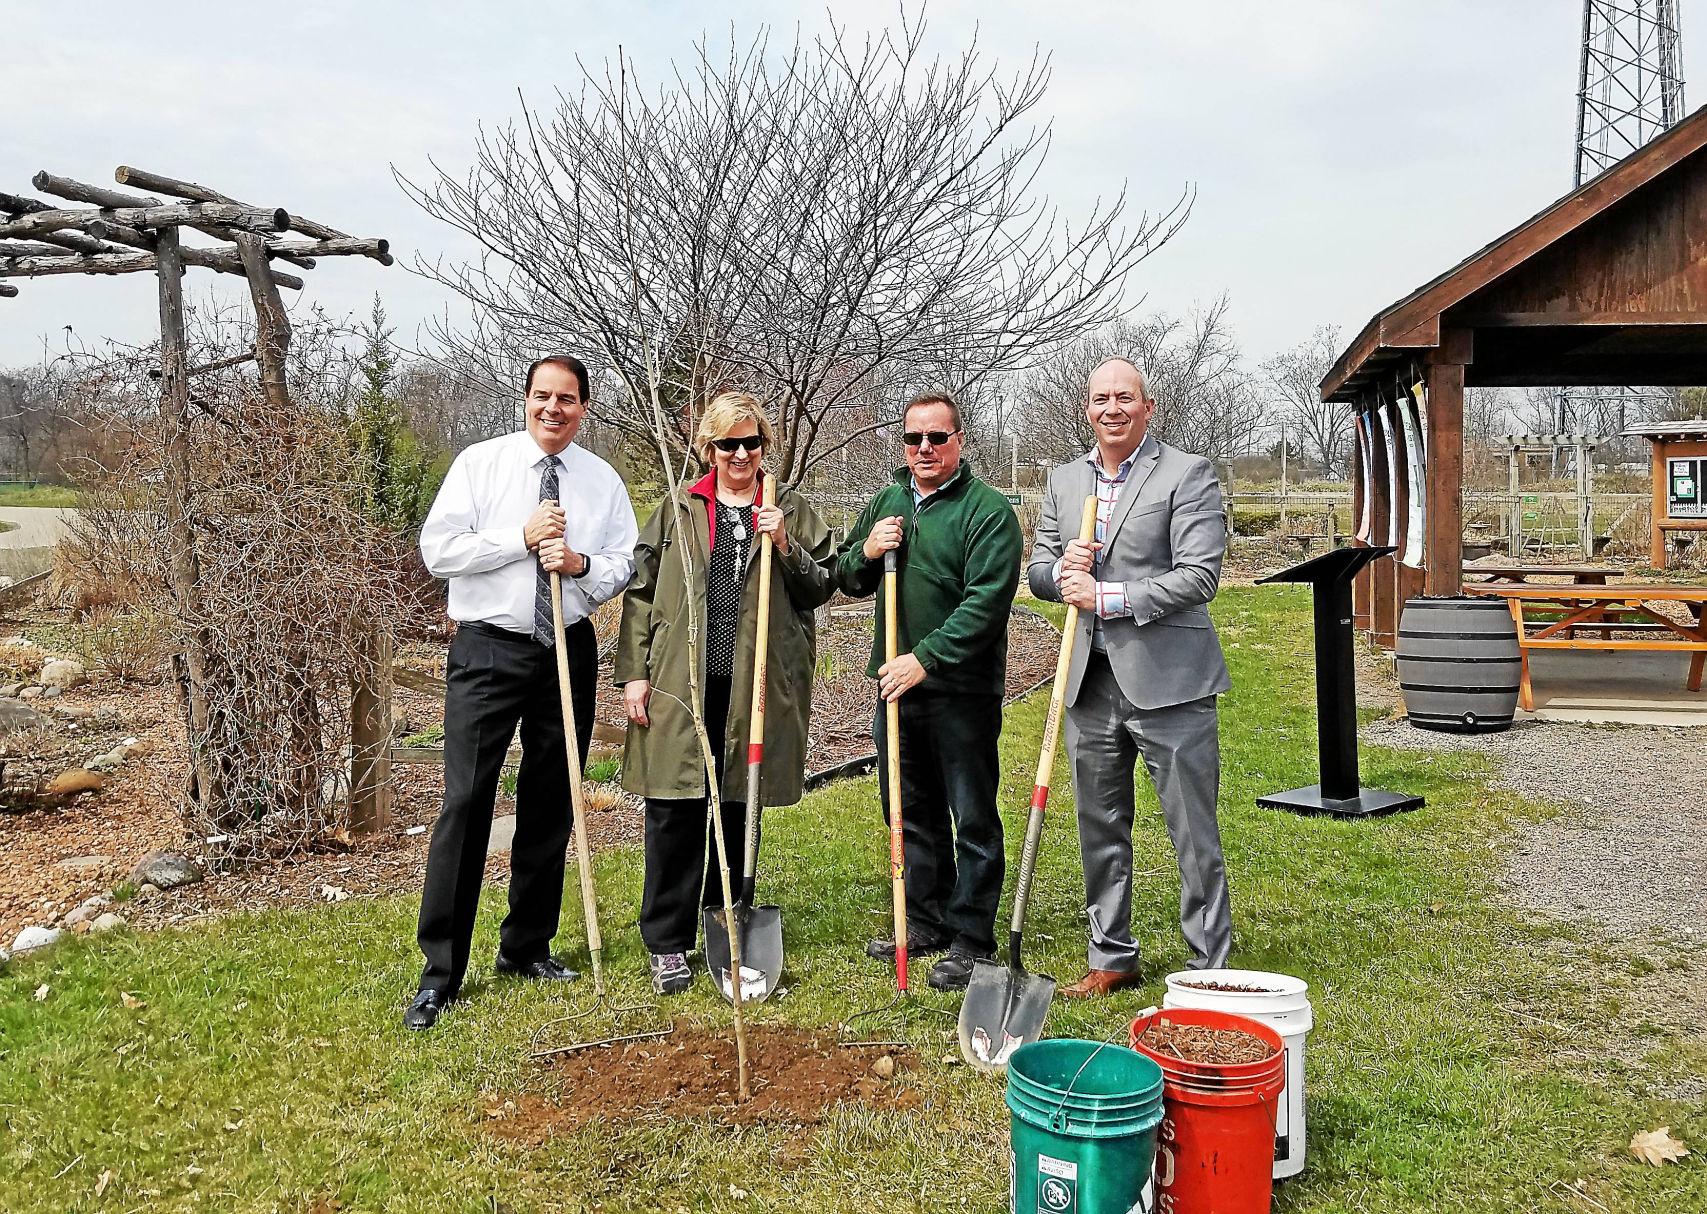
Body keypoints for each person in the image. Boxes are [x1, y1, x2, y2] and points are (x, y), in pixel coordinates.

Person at [406, 354, 638, 1030]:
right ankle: (439, 972)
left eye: (567, 399)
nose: (553, 409)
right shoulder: (481, 465)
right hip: (488, 648)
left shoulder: (601, 481)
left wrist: (582, 564)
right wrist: (521, 539)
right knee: (466, 800)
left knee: (551, 797)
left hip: (565, 645)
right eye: (542, 396)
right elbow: (439, 552)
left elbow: (624, 561)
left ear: (584, 407)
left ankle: (526, 947)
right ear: (526, 400)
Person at [615, 392, 835, 994]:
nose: (740, 453)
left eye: (751, 442)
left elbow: (823, 586)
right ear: (708, 449)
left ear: (765, 445)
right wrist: (634, 672)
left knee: (737, 805)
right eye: (726, 444)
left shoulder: (789, 507)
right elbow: (640, 594)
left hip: (755, 685)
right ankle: (666, 941)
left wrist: (784, 543)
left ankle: (727, 921)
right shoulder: (679, 509)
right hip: (681, 683)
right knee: (673, 808)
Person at [1028, 357, 1233, 997]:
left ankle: (1208, 966)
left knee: (1192, 830)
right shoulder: (1064, 481)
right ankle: (1111, 955)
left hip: (1169, 682)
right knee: (1099, 824)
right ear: (1086, 408)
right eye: (1100, 399)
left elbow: (1200, 576)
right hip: (1089, 683)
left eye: (1125, 398)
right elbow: (1037, 571)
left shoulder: (1186, 474)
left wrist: (1107, 595)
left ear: (1148, 407)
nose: (1111, 409)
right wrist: (1061, 571)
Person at [831, 392, 1023, 991]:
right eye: (914, 439)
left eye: (937, 438)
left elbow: (985, 604)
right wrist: (865, 551)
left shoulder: (988, 512)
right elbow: (845, 576)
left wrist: (926, 659)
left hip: (959, 690)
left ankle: (971, 936)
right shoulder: (888, 502)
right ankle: (923, 918)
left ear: (958, 441)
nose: (924, 450)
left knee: (971, 814)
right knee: (908, 810)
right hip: (895, 687)